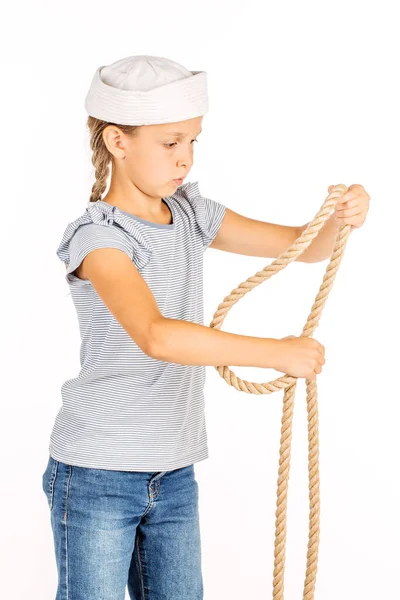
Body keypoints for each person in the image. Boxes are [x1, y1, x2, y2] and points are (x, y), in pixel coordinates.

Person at [41, 55, 326, 600]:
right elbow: (157, 335)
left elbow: (305, 246)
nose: (186, 159)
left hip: (172, 473)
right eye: (170, 143)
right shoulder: (99, 238)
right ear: (117, 142)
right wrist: (274, 352)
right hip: (97, 473)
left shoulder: (191, 212)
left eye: (193, 142)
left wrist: (339, 218)